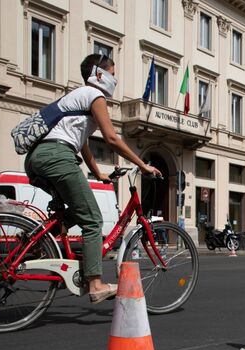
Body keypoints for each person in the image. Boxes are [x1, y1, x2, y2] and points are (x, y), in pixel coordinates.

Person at [25, 54, 161, 303]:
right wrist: (142, 165)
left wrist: (98, 172)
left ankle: (35, 241)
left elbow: (82, 143)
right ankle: (96, 284)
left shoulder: (78, 97)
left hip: (38, 158)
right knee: (93, 219)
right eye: (112, 72)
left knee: (76, 211)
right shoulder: (93, 95)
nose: (115, 77)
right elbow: (111, 139)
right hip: (57, 156)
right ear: (100, 74)